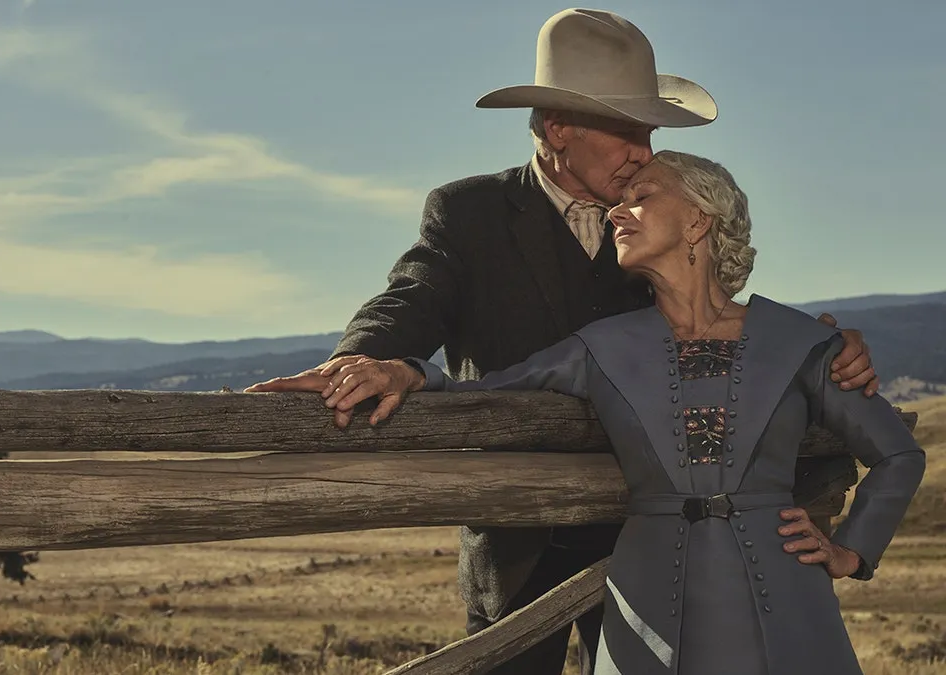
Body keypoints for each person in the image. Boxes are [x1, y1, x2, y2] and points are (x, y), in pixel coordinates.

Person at [245, 9, 880, 674]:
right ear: (558, 128)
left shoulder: (656, 218)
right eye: (627, 129)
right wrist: (366, 354)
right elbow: (414, 296)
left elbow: (716, 322)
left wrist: (820, 355)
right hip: (517, 541)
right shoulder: (470, 215)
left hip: (655, 542)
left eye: (650, 129)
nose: (645, 148)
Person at [289, 150, 925, 674]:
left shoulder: (802, 342)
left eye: (643, 196)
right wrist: (401, 368)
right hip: (648, 594)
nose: (619, 209)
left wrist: (850, 551)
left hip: (784, 592)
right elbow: (482, 393)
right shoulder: (601, 349)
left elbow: (897, 455)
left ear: (700, 222)